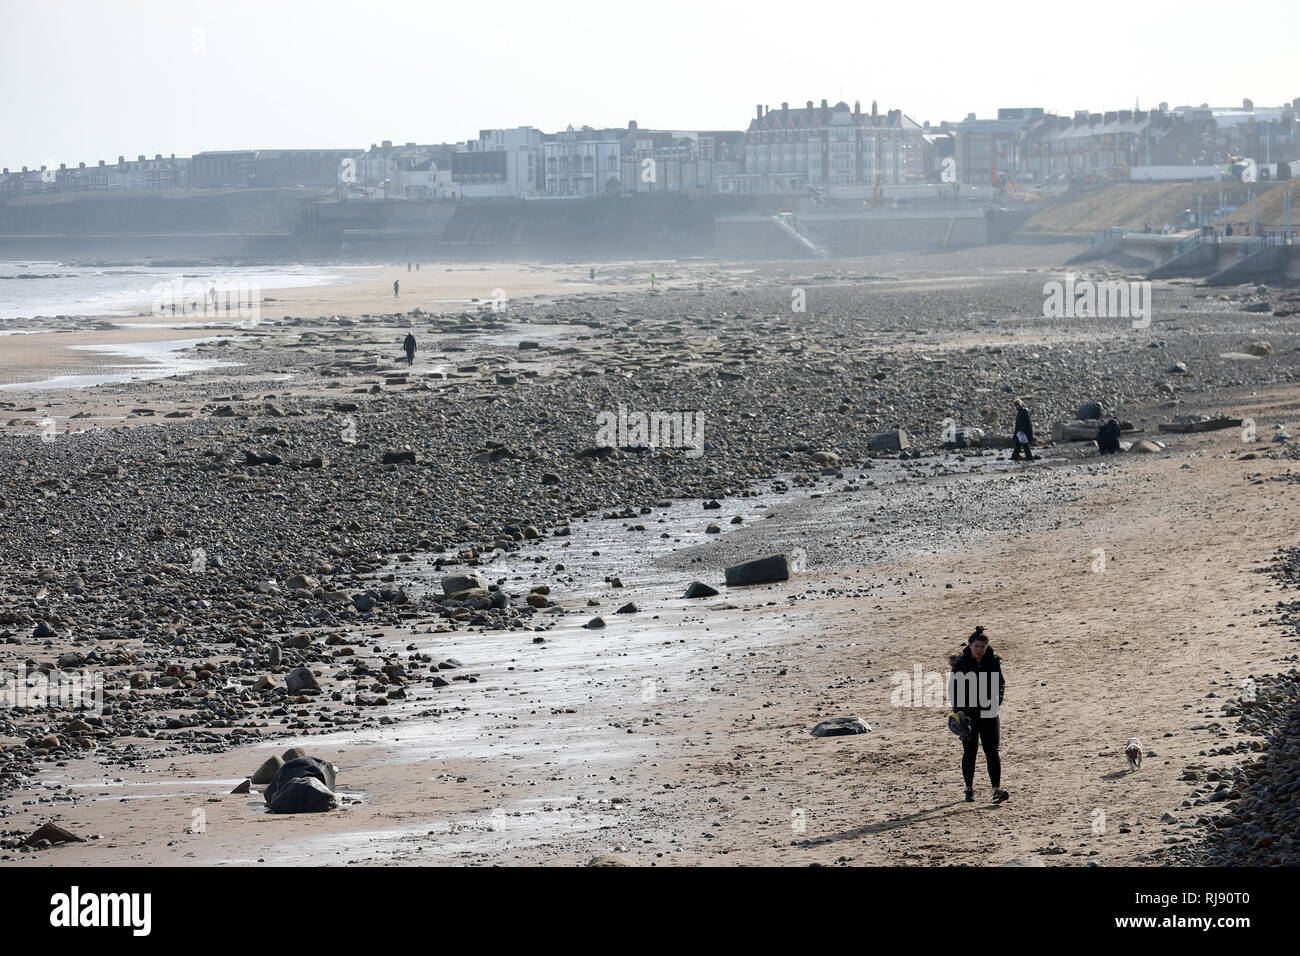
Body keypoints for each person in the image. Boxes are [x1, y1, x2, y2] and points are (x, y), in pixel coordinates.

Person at [948, 625, 1009, 805]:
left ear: (986, 647)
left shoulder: (993, 662)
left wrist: (997, 701)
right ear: (970, 645)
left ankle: (996, 791)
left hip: (989, 713)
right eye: (976, 646)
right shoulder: (961, 663)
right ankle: (969, 789)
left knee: (992, 751)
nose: (979, 650)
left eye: (982, 647)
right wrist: (958, 710)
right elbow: (954, 689)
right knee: (970, 752)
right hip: (968, 714)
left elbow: (1001, 684)